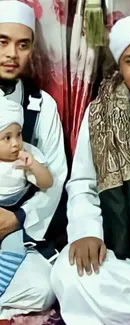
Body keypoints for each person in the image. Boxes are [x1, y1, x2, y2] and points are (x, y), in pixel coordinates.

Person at [52, 12, 130, 325]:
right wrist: (85, 232)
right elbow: (83, 182)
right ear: (120, 66)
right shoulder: (100, 113)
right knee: (69, 273)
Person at [0, 0, 67, 320]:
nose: (12, 53)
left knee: (43, 289)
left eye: (22, 44)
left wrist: (19, 218)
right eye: (2, 42)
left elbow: (56, 175)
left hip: (17, 227)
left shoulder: (42, 106)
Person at [0, 93, 53, 297]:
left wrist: (34, 166)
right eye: (7, 138)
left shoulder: (25, 157)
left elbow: (47, 184)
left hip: (14, 215)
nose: (16, 143)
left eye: (19, 134)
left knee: (14, 249)